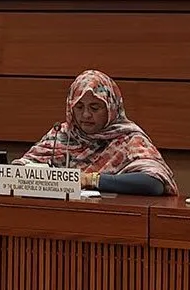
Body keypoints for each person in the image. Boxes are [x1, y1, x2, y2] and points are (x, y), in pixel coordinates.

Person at [14, 69, 177, 196]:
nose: (85, 115)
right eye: (79, 107)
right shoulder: (61, 136)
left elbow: (153, 183)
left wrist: (90, 179)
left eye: (94, 107)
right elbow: (20, 171)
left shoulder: (128, 139)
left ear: (111, 109)